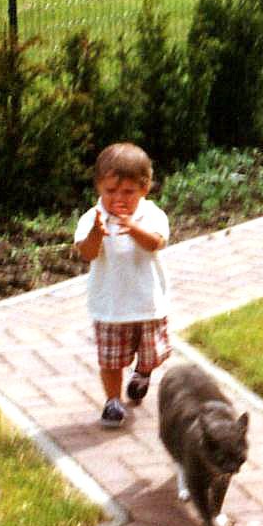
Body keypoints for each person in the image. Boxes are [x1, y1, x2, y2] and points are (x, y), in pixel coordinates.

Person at [74, 143, 170, 428]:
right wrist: (96, 233)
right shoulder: (92, 218)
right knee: (111, 360)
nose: (118, 198)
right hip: (110, 306)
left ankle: (143, 371)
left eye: (128, 192)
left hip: (147, 303)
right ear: (98, 187)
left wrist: (133, 227)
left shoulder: (152, 215)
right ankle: (112, 401)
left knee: (153, 355)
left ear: (145, 188)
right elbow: (87, 253)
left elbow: (156, 243)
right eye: (110, 191)